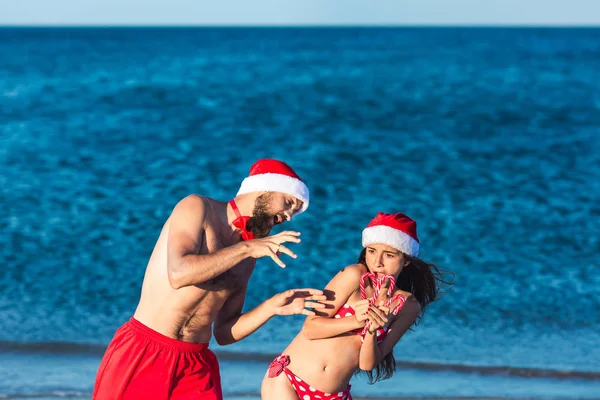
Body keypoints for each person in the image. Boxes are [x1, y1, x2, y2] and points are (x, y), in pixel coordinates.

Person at [93, 159, 327, 400]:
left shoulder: (249, 255)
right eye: (289, 203)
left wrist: (271, 308)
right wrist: (246, 249)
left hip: (195, 364)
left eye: (295, 211)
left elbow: (225, 333)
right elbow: (179, 274)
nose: (288, 216)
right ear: (263, 189)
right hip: (145, 350)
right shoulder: (198, 208)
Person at [261, 212, 452, 400]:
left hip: (333, 395)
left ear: (406, 260)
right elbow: (311, 328)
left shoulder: (407, 306)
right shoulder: (353, 276)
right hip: (288, 379)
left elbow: (368, 364)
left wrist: (371, 330)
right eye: (371, 251)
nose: (377, 262)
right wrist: (355, 320)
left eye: (389, 255)